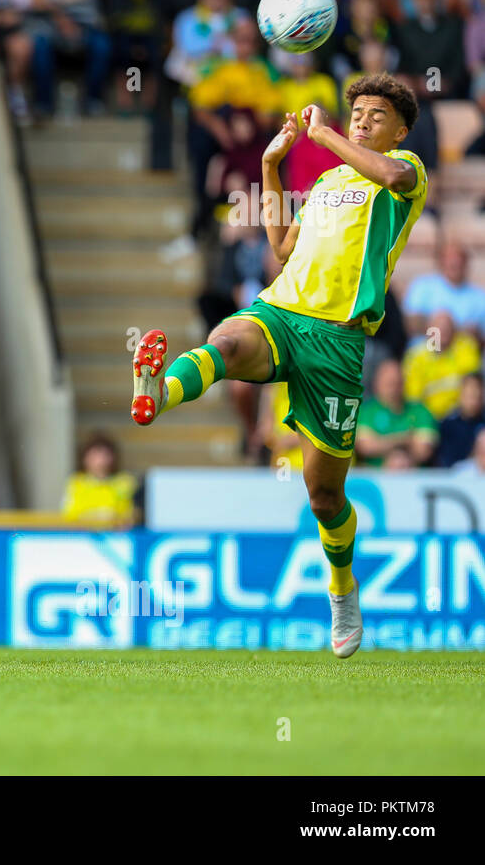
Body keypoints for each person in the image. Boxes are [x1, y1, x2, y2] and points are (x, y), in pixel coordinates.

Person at [130, 73, 428, 660]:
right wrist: (270, 168)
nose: (363, 120)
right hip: (284, 309)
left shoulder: (404, 172)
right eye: (358, 112)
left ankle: (342, 589)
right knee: (230, 339)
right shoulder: (328, 180)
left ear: (401, 128)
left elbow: (390, 173)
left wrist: (328, 135)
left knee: (323, 496)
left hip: (338, 343)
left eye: (375, 114)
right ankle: (159, 391)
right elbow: (283, 249)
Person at [354, 357, 437, 466]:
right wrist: (404, 439)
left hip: (414, 476)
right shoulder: (365, 411)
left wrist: (383, 443)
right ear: (376, 383)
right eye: (389, 383)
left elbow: (423, 451)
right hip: (373, 477)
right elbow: (365, 447)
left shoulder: (420, 411)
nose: (394, 389)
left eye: (397, 383)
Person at [60, 434, 137, 528]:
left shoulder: (124, 482)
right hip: (83, 536)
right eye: (95, 455)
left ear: (113, 457)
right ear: (85, 458)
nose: (100, 460)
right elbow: (69, 515)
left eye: (105, 455)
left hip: (116, 536)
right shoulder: (76, 482)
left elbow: (129, 514)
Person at [436, 372, 485, 468]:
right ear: (461, 395)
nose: (473, 401)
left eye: (477, 396)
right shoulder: (448, 425)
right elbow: (445, 460)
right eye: (470, 396)